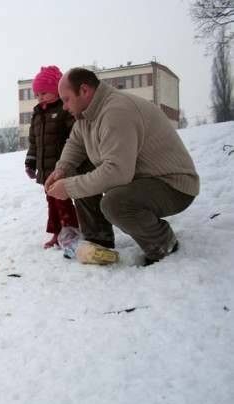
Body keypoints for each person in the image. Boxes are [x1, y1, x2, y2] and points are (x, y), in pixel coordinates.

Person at [44, 67, 200, 265]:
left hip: (172, 184)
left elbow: (117, 173)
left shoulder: (117, 111)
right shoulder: (86, 114)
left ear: (84, 91)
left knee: (115, 203)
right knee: (75, 169)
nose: (64, 106)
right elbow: (76, 144)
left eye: (66, 99)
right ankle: (98, 237)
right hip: (141, 180)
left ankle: (162, 242)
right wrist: (62, 169)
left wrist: (69, 187)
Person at [24, 65, 79, 249]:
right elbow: (34, 142)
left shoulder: (64, 111)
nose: (40, 98)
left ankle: (70, 233)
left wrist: (68, 162)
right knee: (51, 203)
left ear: (56, 90)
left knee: (63, 202)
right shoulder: (38, 114)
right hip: (45, 168)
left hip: (61, 167)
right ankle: (57, 233)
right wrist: (30, 162)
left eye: (44, 93)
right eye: (37, 95)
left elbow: (75, 135)